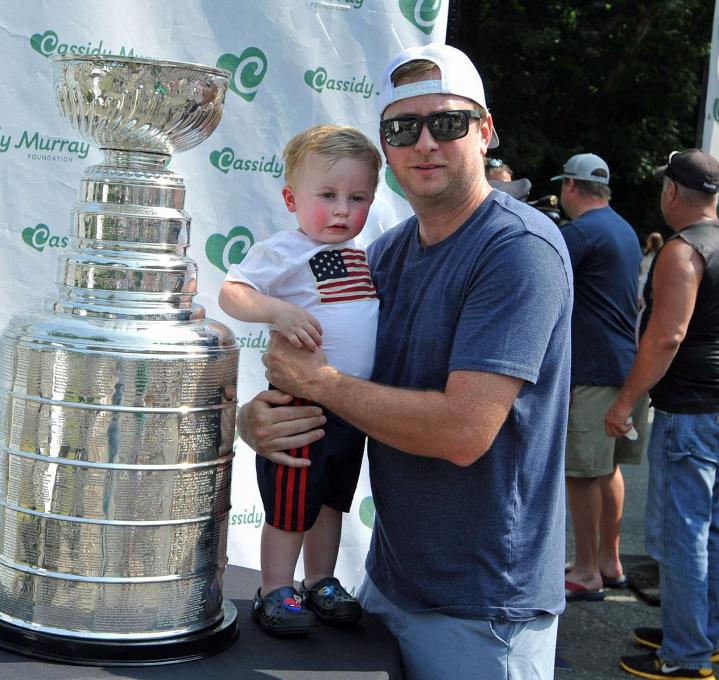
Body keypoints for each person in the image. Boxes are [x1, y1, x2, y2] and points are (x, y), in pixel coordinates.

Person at [238, 43, 572, 679]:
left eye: (445, 123)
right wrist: (263, 418)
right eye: (402, 128)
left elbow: (462, 431)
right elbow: (321, 371)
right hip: (387, 584)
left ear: (486, 130)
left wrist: (321, 384)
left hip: (483, 608)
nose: (424, 143)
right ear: (385, 147)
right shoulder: (383, 255)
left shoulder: (518, 249)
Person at [219, 124, 381, 635]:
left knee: (333, 500)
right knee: (290, 506)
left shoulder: (364, 253)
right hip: (301, 407)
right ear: (291, 199)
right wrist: (277, 311)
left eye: (357, 198)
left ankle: (321, 581)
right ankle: (274, 589)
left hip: (353, 407)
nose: (341, 210)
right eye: (327, 195)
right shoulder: (284, 250)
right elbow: (231, 292)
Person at [605, 149, 719, 680]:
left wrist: (626, 400)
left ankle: (686, 653)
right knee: (710, 532)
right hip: (711, 408)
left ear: (672, 191)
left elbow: (667, 336)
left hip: (690, 412)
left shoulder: (681, 251)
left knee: (683, 534)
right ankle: (697, 632)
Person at [550, 153, 648, 602]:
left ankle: (587, 571)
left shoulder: (580, 233)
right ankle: (609, 561)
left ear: (570, 187)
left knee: (581, 472)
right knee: (607, 468)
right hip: (626, 367)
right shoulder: (624, 228)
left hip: (591, 371)